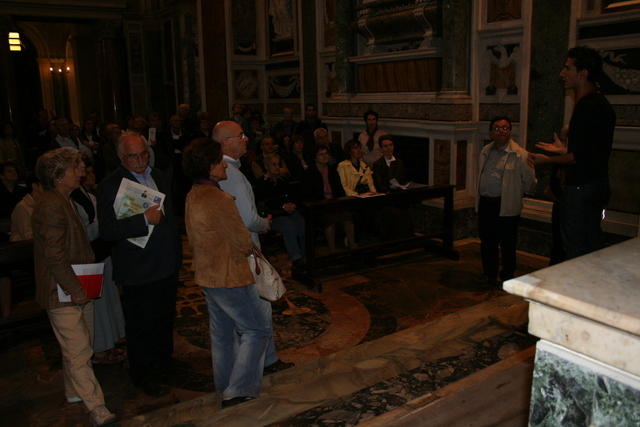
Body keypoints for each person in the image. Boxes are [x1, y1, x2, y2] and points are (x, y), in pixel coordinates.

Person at [183, 138, 272, 408]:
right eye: (219, 161)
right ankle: (238, 388)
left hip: (207, 275)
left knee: (222, 334)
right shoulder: (221, 199)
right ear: (210, 167)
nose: (224, 165)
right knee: (256, 329)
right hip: (230, 275)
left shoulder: (192, 193)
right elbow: (243, 242)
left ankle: (224, 383)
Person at [32, 147, 116, 425]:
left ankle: (73, 394)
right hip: (63, 290)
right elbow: (53, 256)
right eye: (74, 168)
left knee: (78, 346)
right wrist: (76, 290)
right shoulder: (51, 205)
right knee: (79, 349)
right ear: (58, 176)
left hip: (77, 285)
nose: (81, 172)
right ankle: (98, 408)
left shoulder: (63, 199)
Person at [97, 132, 180, 397]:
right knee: (141, 323)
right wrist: (143, 219)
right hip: (137, 268)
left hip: (165, 261)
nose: (141, 160)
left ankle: (165, 364)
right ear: (122, 157)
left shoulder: (159, 175)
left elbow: (170, 215)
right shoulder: (110, 185)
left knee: (164, 318)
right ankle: (143, 374)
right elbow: (108, 231)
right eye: (134, 156)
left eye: (144, 153)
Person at [214, 120, 293, 372]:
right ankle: (265, 361)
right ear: (226, 142)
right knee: (258, 306)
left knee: (248, 307)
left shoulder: (219, 169)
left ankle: (260, 358)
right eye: (241, 135)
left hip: (228, 248)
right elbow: (247, 219)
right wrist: (264, 223)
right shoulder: (231, 173)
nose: (246, 139)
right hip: (244, 248)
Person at [531, 46, 616, 260]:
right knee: (590, 246)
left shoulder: (587, 107)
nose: (562, 73)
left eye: (567, 68)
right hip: (596, 184)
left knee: (576, 251)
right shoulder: (601, 103)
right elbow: (591, 149)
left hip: (581, 188)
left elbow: (577, 157)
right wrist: (563, 149)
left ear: (583, 73)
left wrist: (546, 160)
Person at [71, 160, 126, 365]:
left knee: (107, 303)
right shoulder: (70, 199)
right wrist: (102, 224)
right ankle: (99, 350)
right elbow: (81, 231)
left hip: (102, 254)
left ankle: (108, 345)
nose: (86, 174)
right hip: (87, 259)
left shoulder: (89, 195)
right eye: (83, 170)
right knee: (95, 308)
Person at [476, 117, 536, 285]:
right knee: (487, 242)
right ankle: (489, 274)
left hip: (506, 205)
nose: (501, 131)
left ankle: (508, 276)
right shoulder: (485, 151)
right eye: (497, 128)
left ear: (510, 131)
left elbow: (530, 181)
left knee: (508, 243)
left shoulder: (520, 154)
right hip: (486, 203)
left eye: (505, 128)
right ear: (490, 132)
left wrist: (517, 194)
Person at [256, 153, 306, 271]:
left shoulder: (283, 180)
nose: (277, 167)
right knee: (288, 225)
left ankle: (306, 254)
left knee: (301, 221)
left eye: (278, 164)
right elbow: (264, 203)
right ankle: (296, 258)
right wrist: (282, 206)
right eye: (273, 165)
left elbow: (293, 195)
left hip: (288, 213)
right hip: (273, 215)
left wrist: (292, 204)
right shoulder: (262, 182)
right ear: (266, 166)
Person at [303, 146, 356, 252]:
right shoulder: (310, 172)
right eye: (321, 154)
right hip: (319, 205)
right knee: (329, 219)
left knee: (347, 216)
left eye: (326, 153)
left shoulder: (332, 170)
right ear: (315, 157)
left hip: (334, 203)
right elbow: (308, 194)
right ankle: (333, 250)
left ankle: (352, 245)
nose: (325, 156)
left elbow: (339, 190)